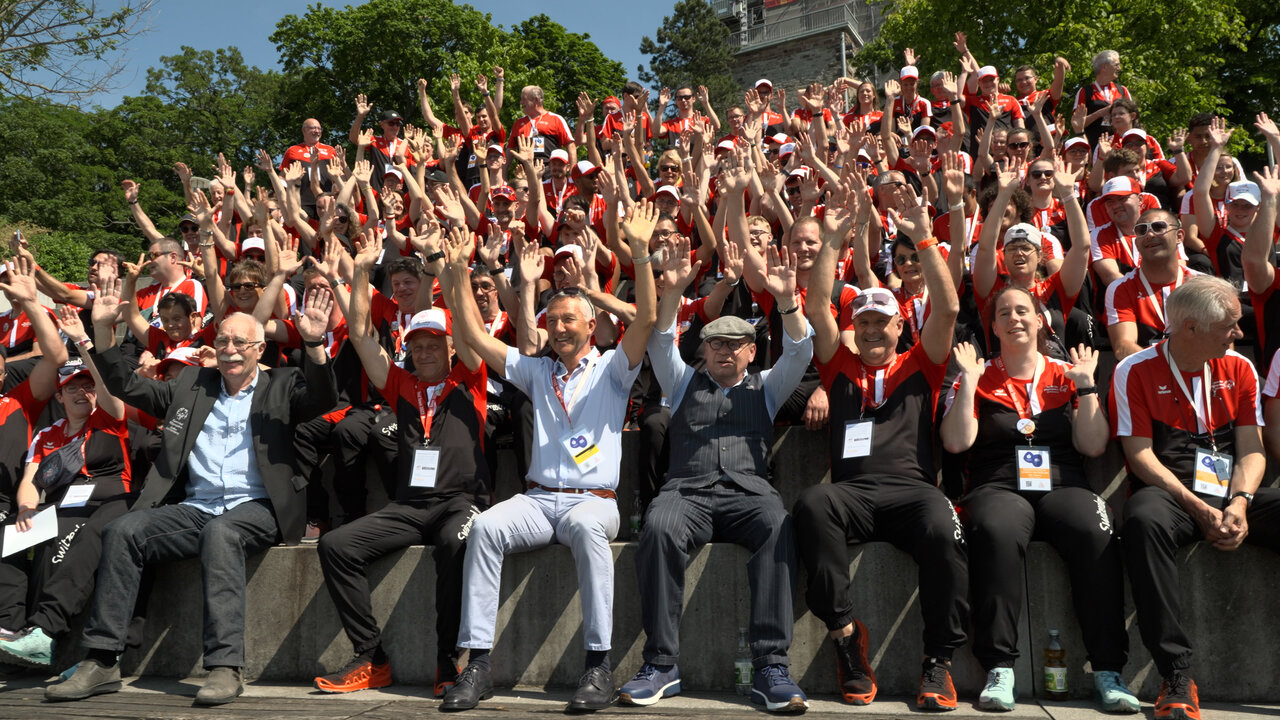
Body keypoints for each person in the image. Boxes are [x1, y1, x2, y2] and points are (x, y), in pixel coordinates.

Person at [46, 297, 339, 706]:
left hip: (258, 506)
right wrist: (92, 338)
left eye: (240, 341)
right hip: (197, 506)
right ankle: (102, 661)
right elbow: (128, 386)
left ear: (259, 350)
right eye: (223, 341)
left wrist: (313, 344)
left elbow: (324, 399)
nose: (230, 348)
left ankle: (225, 666)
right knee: (123, 530)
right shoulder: (193, 384)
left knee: (222, 533)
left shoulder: (283, 383)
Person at [439, 202, 659, 712]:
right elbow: (472, 337)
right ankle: (477, 664)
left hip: (596, 501)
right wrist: (454, 270)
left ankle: (598, 667)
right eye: (552, 320)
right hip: (539, 501)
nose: (559, 327)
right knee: (488, 528)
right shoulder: (537, 371)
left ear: (591, 323)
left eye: (569, 319)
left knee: (585, 527)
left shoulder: (613, 368)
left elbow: (646, 317)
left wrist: (641, 254)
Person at [792, 192, 967, 711]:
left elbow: (951, 305)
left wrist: (925, 235)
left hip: (914, 494)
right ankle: (847, 639)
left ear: (899, 327)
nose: (871, 330)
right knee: (811, 504)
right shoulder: (838, 365)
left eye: (881, 322)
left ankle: (938, 662)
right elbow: (818, 306)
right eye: (863, 322)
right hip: (854, 496)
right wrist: (831, 240)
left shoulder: (924, 362)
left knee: (944, 524)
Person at [620, 240, 813, 712]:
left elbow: (800, 352)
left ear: (751, 351)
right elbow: (663, 339)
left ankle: (772, 668)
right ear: (703, 350)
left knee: (777, 525)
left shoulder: (767, 386)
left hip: (749, 493)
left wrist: (787, 301)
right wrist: (674, 289)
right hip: (687, 490)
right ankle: (661, 664)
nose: (724, 351)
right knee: (659, 528)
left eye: (735, 345)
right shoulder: (682, 380)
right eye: (715, 344)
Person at [939, 296, 1138, 713]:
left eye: (1022, 311)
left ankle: (1107, 669)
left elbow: (1094, 444)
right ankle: (1000, 667)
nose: (1014, 319)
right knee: (995, 529)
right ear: (992, 327)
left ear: (1040, 322)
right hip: (997, 484)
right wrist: (970, 382)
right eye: (1004, 314)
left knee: (1094, 528)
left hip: (1063, 483)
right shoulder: (977, 374)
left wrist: (1086, 386)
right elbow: (956, 442)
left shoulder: (1068, 373)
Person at [312, 231, 489, 697]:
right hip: (409, 506)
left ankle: (449, 661)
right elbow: (360, 335)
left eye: (435, 343)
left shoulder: (470, 375)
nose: (426, 351)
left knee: (456, 544)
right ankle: (372, 657)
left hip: (460, 502)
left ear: (451, 346)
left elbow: (470, 332)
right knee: (335, 545)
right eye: (418, 344)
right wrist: (359, 272)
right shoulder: (401, 385)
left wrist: (447, 268)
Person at [1112, 275, 1280, 720]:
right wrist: (1199, 507)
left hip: (1230, 491)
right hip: (1170, 492)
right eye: (1230, 325)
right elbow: (1139, 455)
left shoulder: (1240, 367)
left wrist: (1240, 503)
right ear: (1190, 327)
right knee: (1142, 522)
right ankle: (1176, 674)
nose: (1239, 333)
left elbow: (1252, 450)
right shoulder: (1134, 369)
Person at [0, 302, 132, 670]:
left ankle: (45, 633)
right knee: (10, 533)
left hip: (110, 502)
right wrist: (26, 509)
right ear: (58, 397)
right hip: (61, 506)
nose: (81, 394)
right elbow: (28, 483)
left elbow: (108, 391)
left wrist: (83, 344)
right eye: (72, 389)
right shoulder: (48, 433)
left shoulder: (108, 417)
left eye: (87, 387)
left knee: (66, 538)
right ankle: (10, 628)